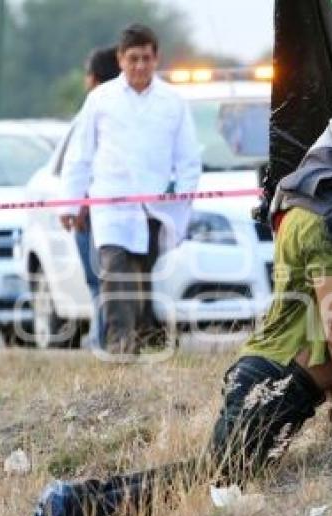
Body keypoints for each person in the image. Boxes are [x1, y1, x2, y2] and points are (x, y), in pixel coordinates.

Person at [19, 102, 332, 516]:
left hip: (268, 373)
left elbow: (317, 323)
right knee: (212, 481)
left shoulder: (304, 209)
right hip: (279, 382)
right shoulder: (331, 224)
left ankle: (75, 508)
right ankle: (72, 507)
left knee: (214, 476)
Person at [60, 24, 201, 355]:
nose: (140, 66)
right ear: (121, 59)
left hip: (154, 209)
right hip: (110, 208)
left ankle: (138, 340)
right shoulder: (100, 99)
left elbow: (188, 158)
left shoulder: (172, 102)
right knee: (114, 272)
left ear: (156, 59)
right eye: (133, 58)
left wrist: (181, 195)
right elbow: (80, 155)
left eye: (146, 59)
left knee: (140, 278)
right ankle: (119, 346)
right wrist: (69, 202)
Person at [59, 46, 122, 350]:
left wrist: (78, 204)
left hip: (94, 213)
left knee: (99, 284)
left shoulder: (94, 111)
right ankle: (107, 343)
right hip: (104, 209)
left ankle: (103, 344)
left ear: (94, 79)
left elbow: (80, 163)